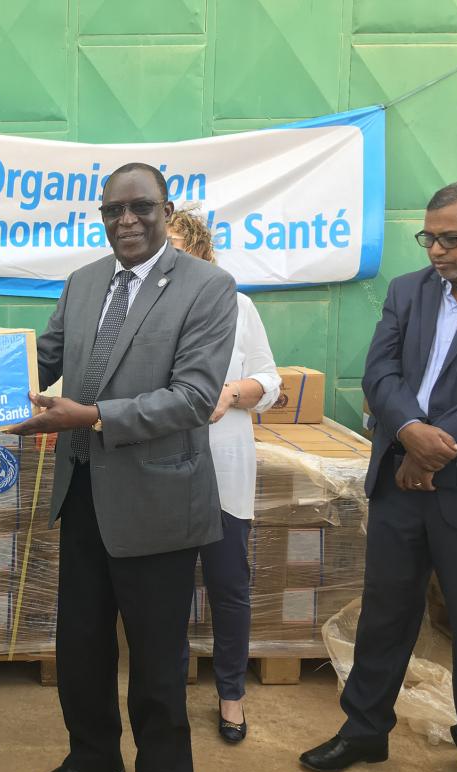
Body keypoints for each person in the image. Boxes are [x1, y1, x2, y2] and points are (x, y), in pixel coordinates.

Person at [12, 163, 238, 772]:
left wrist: (88, 417)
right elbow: (40, 360)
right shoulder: (84, 283)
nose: (127, 221)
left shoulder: (208, 287)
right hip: (83, 493)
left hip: (160, 500)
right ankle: (94, 759)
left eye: (141, 207)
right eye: (113, 210)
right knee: (80, 645)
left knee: (158, 661)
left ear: (167, 209)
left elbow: (194, 398)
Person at [300, 180, 457, 772]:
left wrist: (433, 444)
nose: (436, 250)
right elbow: (381, 371)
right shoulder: (406, 292)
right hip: (402, 484)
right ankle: (365, 728)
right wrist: (408, 430)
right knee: (385, 614)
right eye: (429, 237)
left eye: (451, 238)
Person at [167, 209, 281, 743]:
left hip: (224, 471)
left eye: (177, 247)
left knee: (228, 586)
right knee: (162, 592)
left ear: (202, 252)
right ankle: (165, 696)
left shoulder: (238, 307)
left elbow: (269, 380)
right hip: (160, 474)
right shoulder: (144, 312)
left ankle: (230, 694)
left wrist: (231, 394)